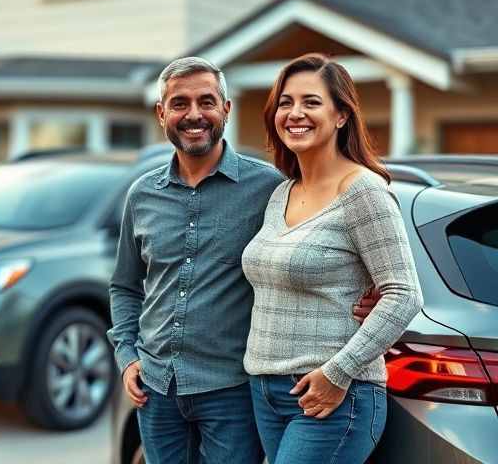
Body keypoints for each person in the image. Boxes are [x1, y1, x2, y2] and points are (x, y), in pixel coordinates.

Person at [107, 56, 376, 463]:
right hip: (155, 390)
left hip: (231, 392)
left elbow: (313, 251)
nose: (194, 114)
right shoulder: (142, 195)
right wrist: (127, 356)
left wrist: (366, 288)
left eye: (206, 102)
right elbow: (125, 286)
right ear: (161, 114)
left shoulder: (270, 188)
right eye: (179, 104)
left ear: (226, 110)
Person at [241, 53, 423, 464]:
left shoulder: (362, 191)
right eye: (285, 103)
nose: (295, 113)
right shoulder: (280, 193)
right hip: (267, 393)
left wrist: (337, 373)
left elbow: (404, 294)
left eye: (311, 102)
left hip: (335, 397)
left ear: (341, 115)